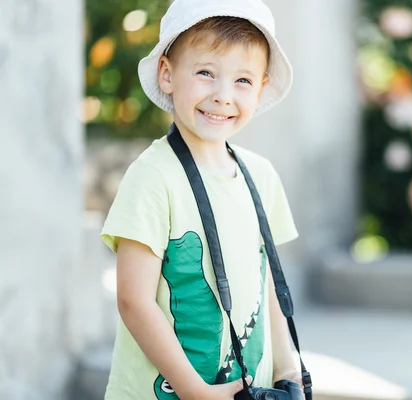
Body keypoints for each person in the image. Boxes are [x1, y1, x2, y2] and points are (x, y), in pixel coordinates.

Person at [100, 0, 301, 398]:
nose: (224, 96)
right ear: (168, 74)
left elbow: (268, 285)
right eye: (206, 73)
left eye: (243, 80)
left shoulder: (261, 175)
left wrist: (288, 364)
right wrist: (196, 391)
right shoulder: (153, 177)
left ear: (261, 87)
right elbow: (133, 300)